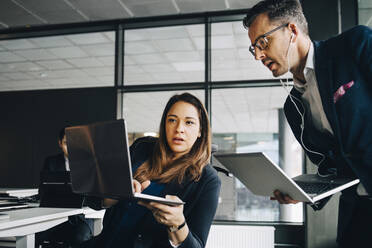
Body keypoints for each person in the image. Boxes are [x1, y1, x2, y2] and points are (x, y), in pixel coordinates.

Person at [242, 0, 372, 247]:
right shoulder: (293, 106)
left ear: (291, 31)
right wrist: (302, 192)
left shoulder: (353, 46)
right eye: (253, 48)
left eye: (262, 43)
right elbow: (330, 165)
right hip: (357, 215)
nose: (258, 55)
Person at [81, 92, 221, 248]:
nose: (179, 129)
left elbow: (196, 245)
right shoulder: (142, 147)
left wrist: (178, 224)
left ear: (200, 131)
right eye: (172, 120)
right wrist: (114, 194)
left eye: (189, 123)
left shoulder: (208, 179)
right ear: (164, 125)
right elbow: (94, 200)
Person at [36, 127, 94, 248]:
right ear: (60, 143)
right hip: (52, 216)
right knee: (36, 235)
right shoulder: (51, 162)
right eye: (66, 143)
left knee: (81, 236)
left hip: (80, 218)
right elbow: (43, 190)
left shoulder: (88, 164)